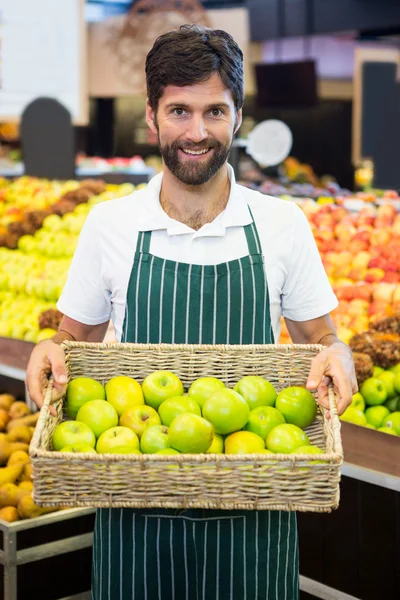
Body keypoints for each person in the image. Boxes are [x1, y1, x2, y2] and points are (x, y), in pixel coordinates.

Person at [26, 24, 357, 599]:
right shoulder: (109, 224)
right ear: (152, 114)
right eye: (179, 110)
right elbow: (70, 337)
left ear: (237, 116)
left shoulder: (281, 226)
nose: (197, 132)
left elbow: (321, 336)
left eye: (215, 112)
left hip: (254, 512)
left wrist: (338, 354)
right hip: (137, 518)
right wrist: (51, 349)